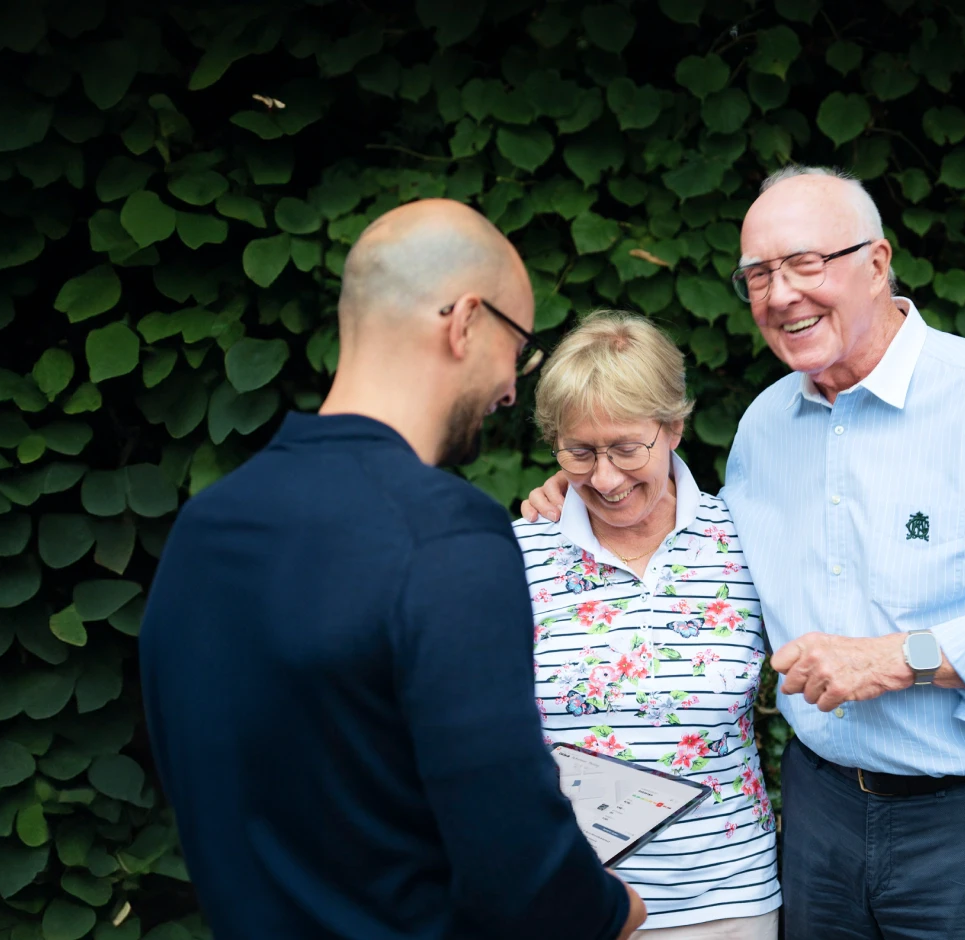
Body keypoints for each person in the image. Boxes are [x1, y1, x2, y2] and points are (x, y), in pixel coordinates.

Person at [523, 167, 965, 938]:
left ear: (878, 262)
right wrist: (588, 486)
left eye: (805, 263)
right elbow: (691, 550)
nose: (780, 294)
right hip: (819, 821)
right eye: (759, 275)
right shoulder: (765, 429)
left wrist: (902, 658)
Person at [138, 198, 646, 940]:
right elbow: (515, 858)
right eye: (518, 348)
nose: (512, 388)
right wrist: (607, 911)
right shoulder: (445, 535)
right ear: (464, 322)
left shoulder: (205, 528)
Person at [515, 311, 781, 939]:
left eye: (627, 448)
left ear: (674, 428)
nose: (605, 478)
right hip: (567, 903)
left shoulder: (746, 540)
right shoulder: (517, 554)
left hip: (725, 901)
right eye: (580, 452)